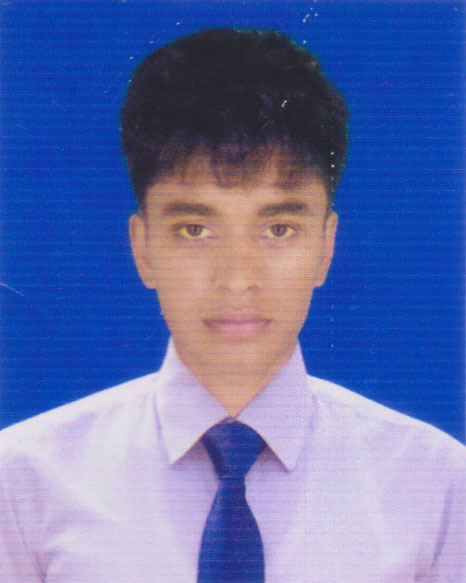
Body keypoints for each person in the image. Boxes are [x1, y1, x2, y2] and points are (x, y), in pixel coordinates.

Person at [0, 28, 464, 583]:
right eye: (194, 229)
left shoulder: (436, 486)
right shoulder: (23, 481)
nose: (238, 279)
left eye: (279, 229)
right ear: (143, 249)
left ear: (326, 247)